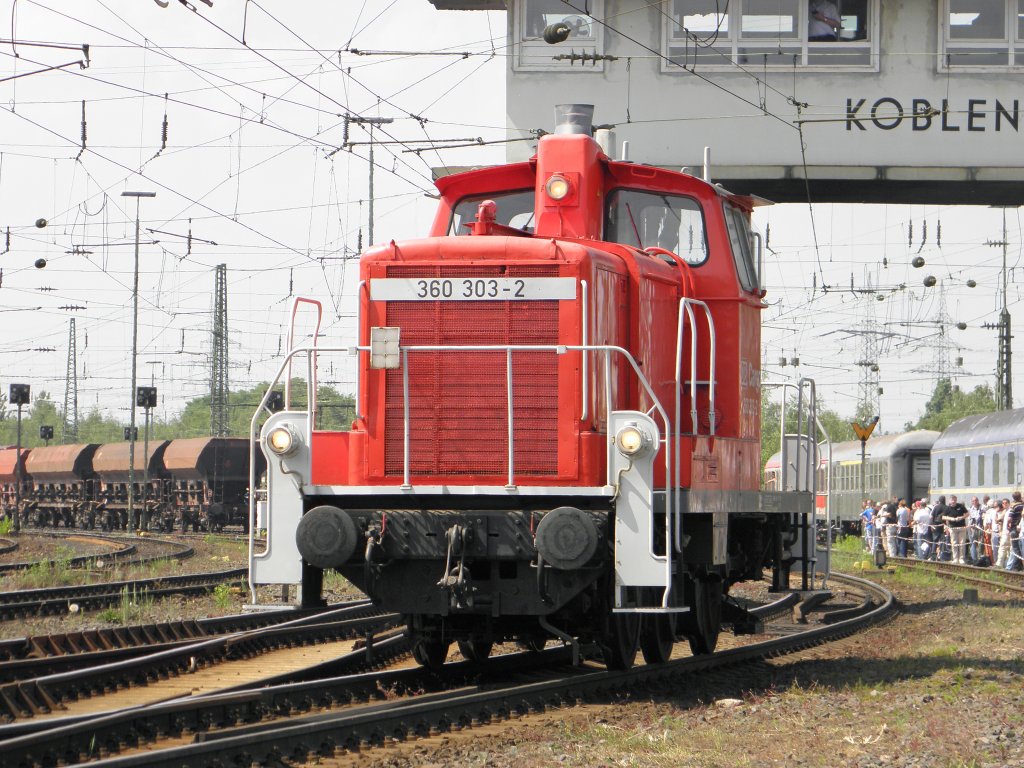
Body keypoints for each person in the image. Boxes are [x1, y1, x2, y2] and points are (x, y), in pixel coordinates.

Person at [943, 495, 969, 564]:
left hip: (962, 527)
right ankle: (955, 558)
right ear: (950, 501)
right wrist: (951, 519)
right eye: (952, 500)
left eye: (954, 500)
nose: (953, 501)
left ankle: (961, 558)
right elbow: (943, 517)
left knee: (962, 543)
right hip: (953, 528)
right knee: (954, 543)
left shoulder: (961, 506)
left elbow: (967, 514)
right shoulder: (948, 508)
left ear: (956, 500)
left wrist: (962, 517)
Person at [967, 496, 984, 563]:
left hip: (980, 527)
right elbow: (969, 518)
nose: (975, 502)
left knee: (981, 543)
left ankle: (980, 557)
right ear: (972, 502)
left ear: (978, 501)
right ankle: (974, 558)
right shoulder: (970, 509)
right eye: (973, 501)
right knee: (973, 543)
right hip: (972, 528)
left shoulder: (982, 507)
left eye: (976, 500)